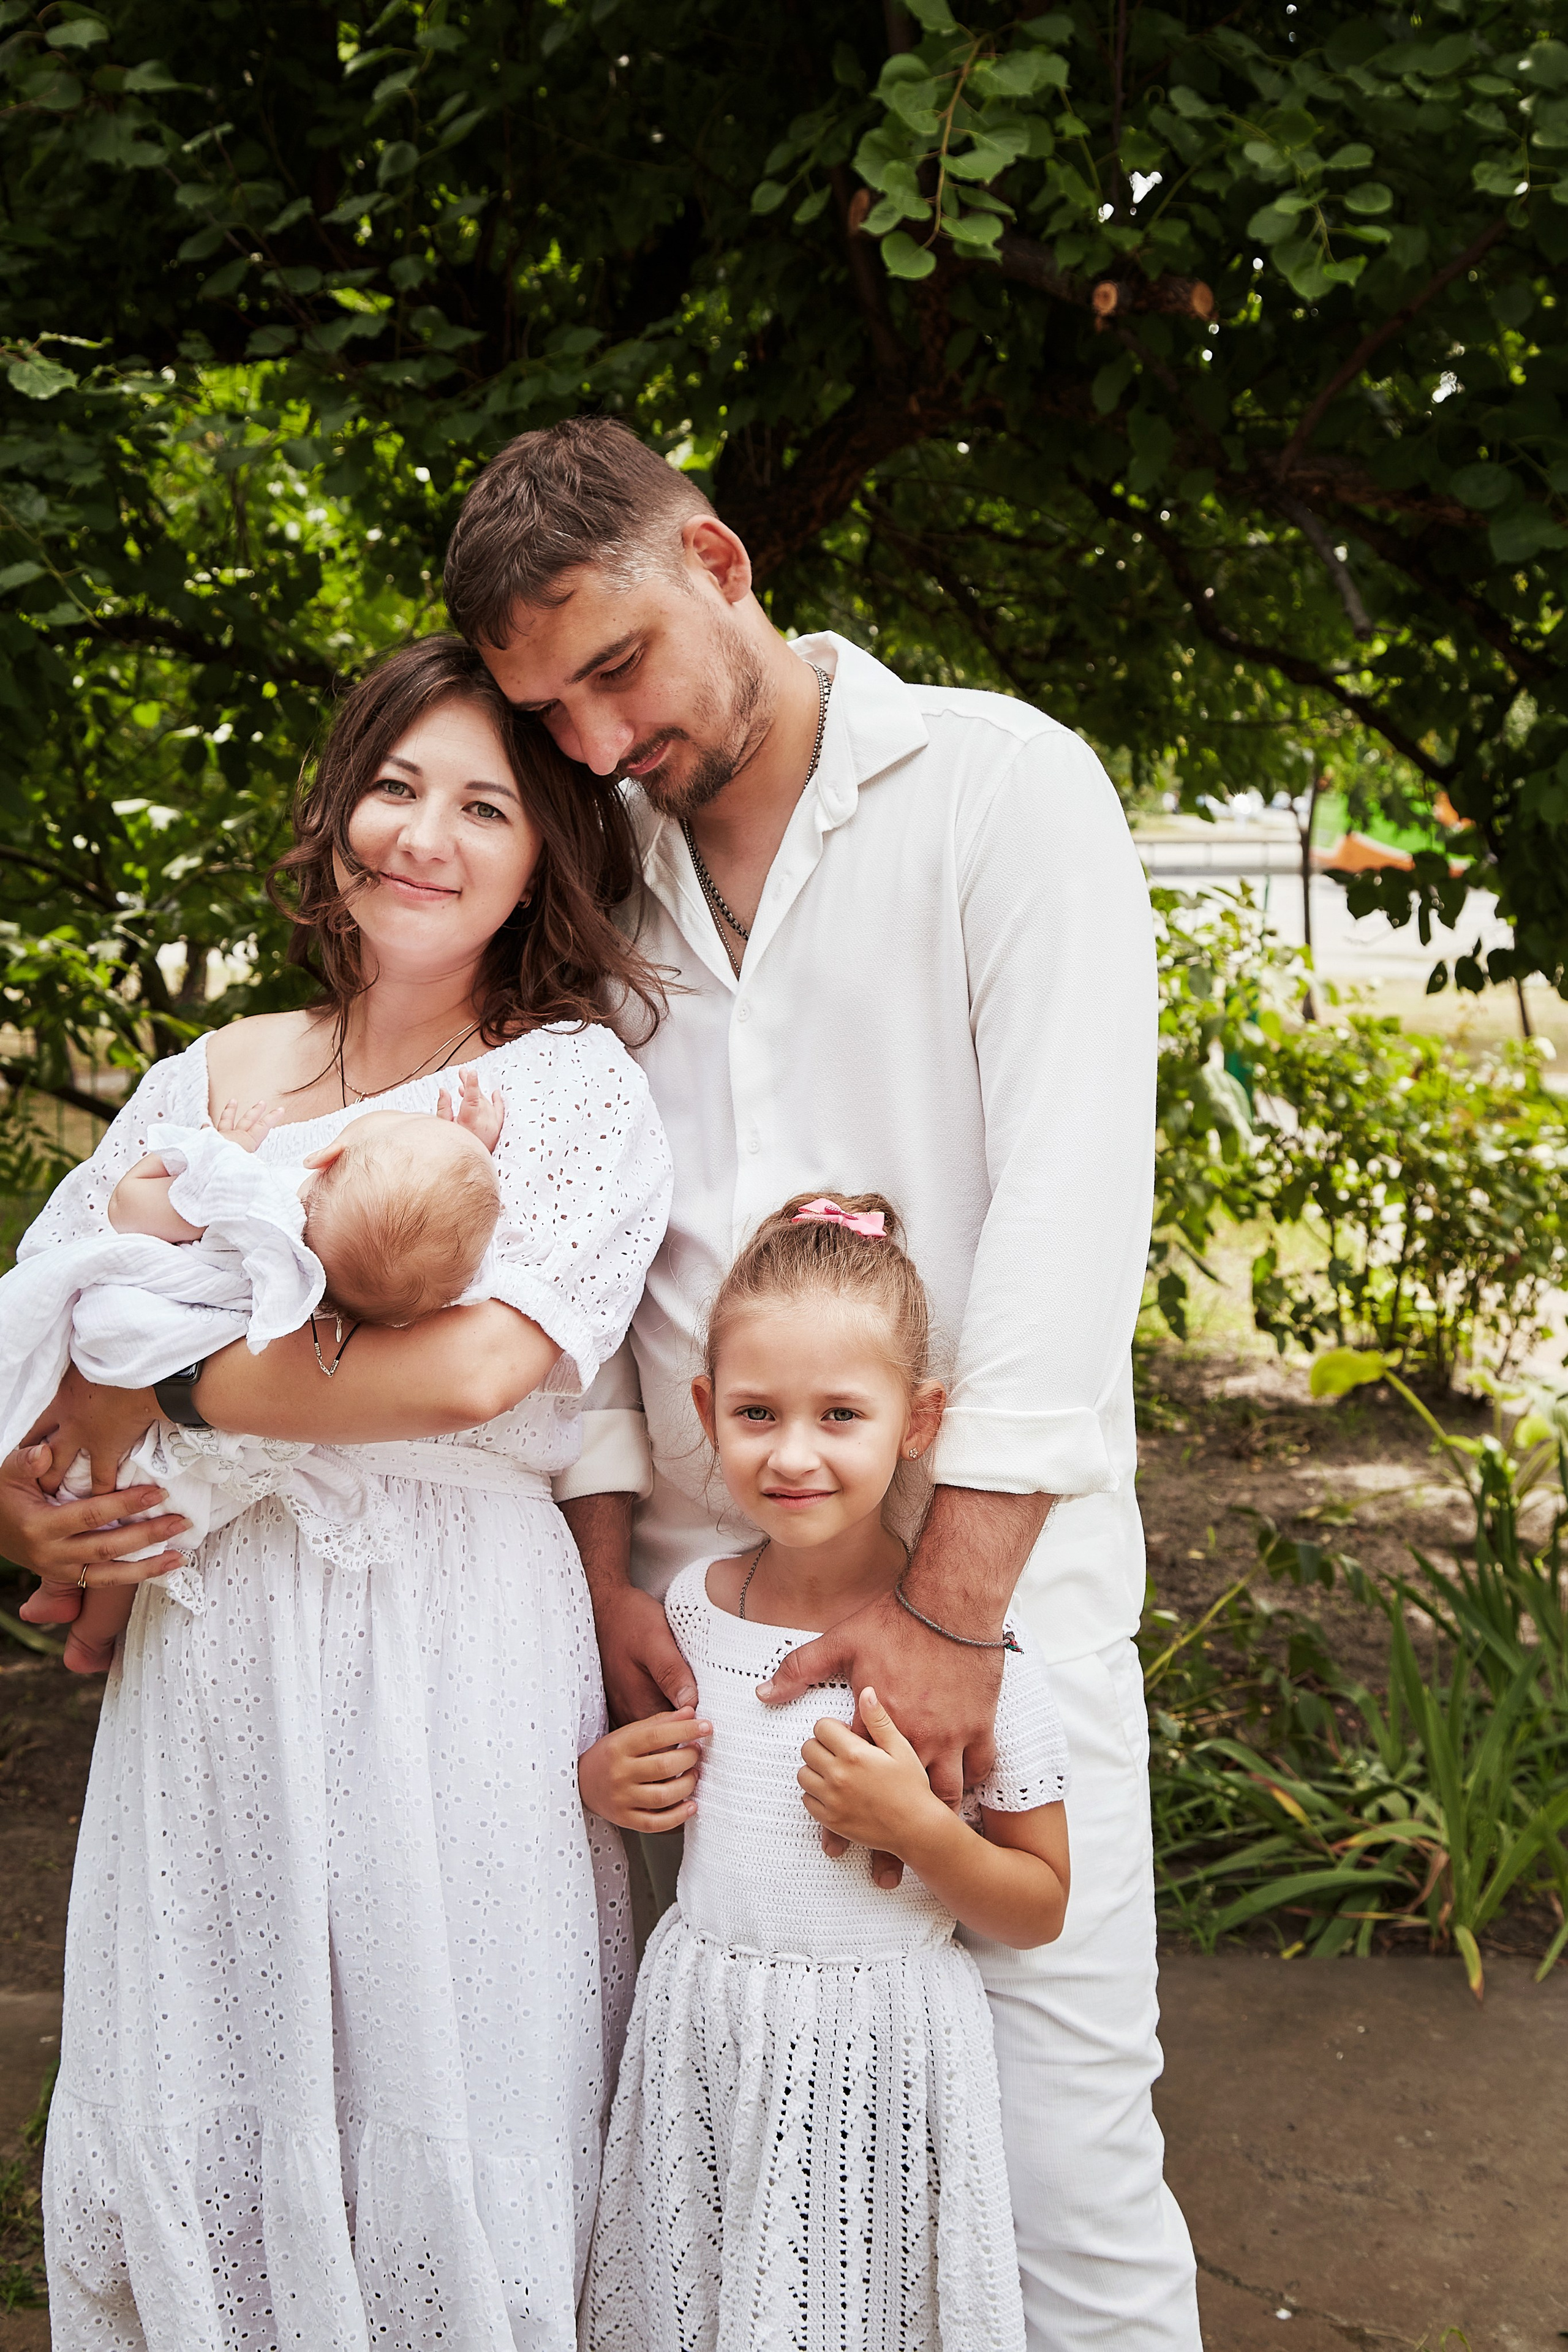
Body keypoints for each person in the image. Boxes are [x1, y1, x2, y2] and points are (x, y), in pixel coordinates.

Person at [443, 418, 1203, 2348]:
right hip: (711, 1658)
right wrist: (605, 1577)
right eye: (550, 712)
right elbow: (575, 1252)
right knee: (749, 2218)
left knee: (1061, 2190)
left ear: (720, 562)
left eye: (616, 668)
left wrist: (950, 1615)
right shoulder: (589, 879)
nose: (596, 739)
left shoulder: (1003, 791)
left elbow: (1069, 1222)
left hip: (997, 1627)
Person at [0, 633, 673, 2350]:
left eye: (484, 807)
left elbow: (466, 1372)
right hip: (216, 1658)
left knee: (448, 2077)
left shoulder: (568, 1089)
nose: (424, 837)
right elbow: (49, 1352)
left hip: (454, 1648)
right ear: (335, 813)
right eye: (393, 786)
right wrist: (37, 1508)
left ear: (545, 854)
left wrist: (166, 1384)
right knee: (214, 2068)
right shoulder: (208, 1077)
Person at [578, 1193, 1071, 2352]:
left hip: (879, 2054)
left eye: (841, 1414)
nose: (793, 1453)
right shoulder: (691, 1612)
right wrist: (607, 1784)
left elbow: (1041, 1903)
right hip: (707, 2033)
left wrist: (923, 1831)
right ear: (705, 1409)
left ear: (919, 1421)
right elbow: (663, 1805)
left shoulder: (967, 1662)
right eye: (757, 1412)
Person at [10, 1070, 508, 1672]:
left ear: (325, 1157)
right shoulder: (348, 1292)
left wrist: (214, 1152)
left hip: (129, 1355)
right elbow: (434, 1236)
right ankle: (91, 1638)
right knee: (148, 1521)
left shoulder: (258, 1201)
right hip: (217, 1439)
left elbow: (128, 1207)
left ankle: (61, 1591)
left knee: (92, 1486)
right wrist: (471, 1151)